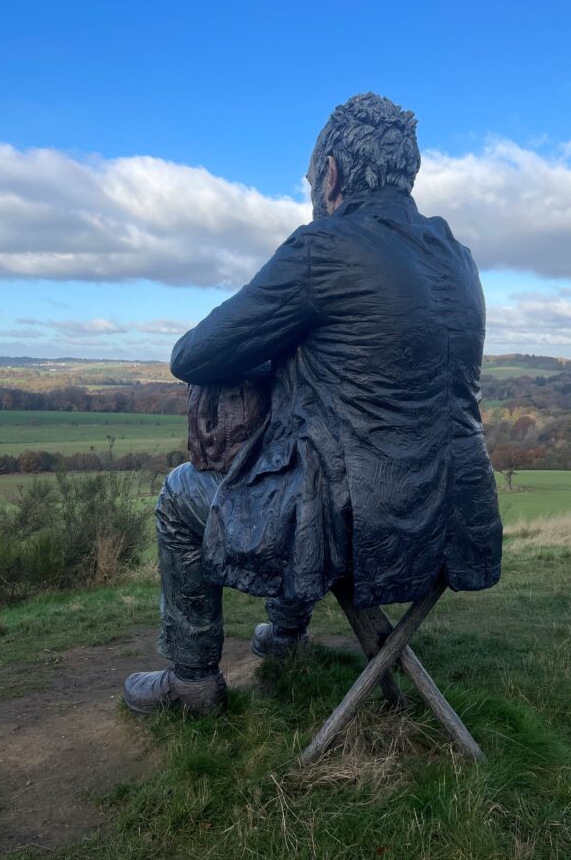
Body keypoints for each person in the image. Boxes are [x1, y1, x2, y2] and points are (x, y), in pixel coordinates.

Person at [124, 92, 502, 716]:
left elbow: (192, 356)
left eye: (311, 178)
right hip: (453, 518)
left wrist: (263, 361)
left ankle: (192, 681)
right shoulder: (458, 260)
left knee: (181, 494)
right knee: (309, 461)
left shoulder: (322, 248)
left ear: (330, 175)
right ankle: (287, 633)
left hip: (355, 527)